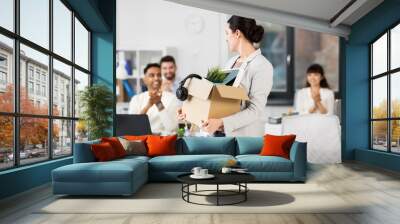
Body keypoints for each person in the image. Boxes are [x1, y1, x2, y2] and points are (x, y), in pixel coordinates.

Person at [178, 15, 273, 137]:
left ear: (237, 33)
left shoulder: (262, 65)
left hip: (244, 139)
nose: (226, 38)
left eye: (227, 33)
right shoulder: (231, 62)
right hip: (221, 136)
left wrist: (221, 122)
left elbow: (255, 110)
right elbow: (217, 101)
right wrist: (191, 112)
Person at [129, 63, 179, 134]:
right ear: (144, 79)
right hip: (141, 139)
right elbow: (132, 126)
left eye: (159, 75)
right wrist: (147, 106)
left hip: (163, 140)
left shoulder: (172, 98)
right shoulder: (136, 99)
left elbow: (172, 128)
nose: (156, 78)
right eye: (152, 75)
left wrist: (159, 104)